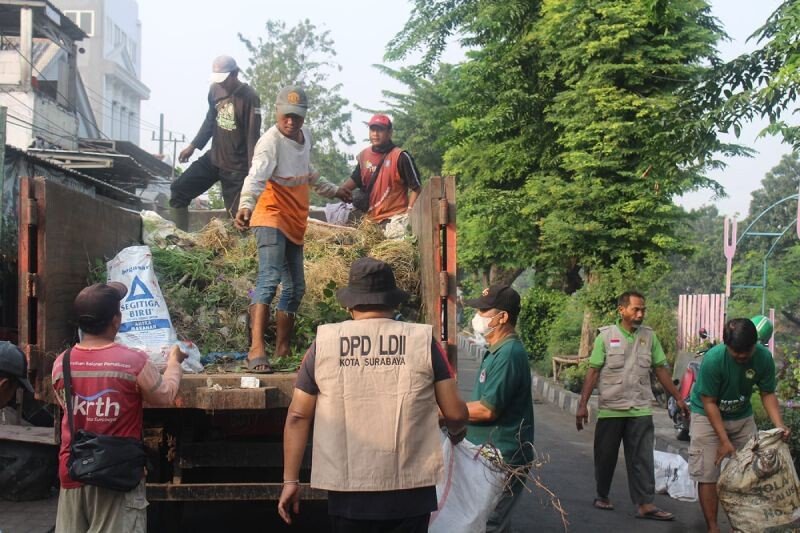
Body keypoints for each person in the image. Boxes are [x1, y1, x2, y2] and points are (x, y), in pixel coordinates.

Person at [277, 257, 469, 532]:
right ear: (394, 302)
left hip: (348, 492)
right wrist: (456, 430)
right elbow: (454, 412)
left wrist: (290, 482)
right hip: (411, 492)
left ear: (349, 304)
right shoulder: (422, 341)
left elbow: (297, 415)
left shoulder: (325, 343)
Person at [52, 282, 187, 533]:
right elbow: (165, 396)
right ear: (116, 320)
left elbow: (64, 405)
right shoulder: (132, 362)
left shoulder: (62, 363)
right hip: (118, 476)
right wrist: (174, 364)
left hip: (73, 472)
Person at [234, 85, 350, 373]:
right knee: (270, 279)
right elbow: (256, 176)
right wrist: (246, 204)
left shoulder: (305, 136)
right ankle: (256, 350)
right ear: (277, 113)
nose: (290, 122)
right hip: (270, 215)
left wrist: (334, 191)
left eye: (296, 117)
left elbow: (306, 172)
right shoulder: (269, 143)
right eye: (286, 116)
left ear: (303, 117)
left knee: (296, 287)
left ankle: (282, 349)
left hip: (294, 219)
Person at [576, 291, 687, 521]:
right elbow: (593, 371)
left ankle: (645, 504)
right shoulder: (605, 337)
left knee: (642, 458)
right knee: (605, 455)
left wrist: (677, 396)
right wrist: (582, 404)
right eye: (636, 309)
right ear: (622, 310)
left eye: (643, 309)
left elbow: (660, 369)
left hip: (640, 407)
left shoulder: (649, 337)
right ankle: (602, 495)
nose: (640, 313)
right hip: (611, 408)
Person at [689, 317, 789, 533]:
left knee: (753, 471)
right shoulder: (714, 360)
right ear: (727, 345)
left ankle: (746, 526)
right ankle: (713, 528)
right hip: (707, 415)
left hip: (742, 416)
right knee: (708, 472)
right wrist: (723, 441)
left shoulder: (763, 358)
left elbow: (767, 392)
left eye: (747, 351)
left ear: (755, 344)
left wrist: (779, 426)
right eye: (737, 352)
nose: (742, 356)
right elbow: (709, 402)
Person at [463, 284, 534, 532]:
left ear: (502, 317)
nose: (477, 318)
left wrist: (445, 412)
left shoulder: (509, 353)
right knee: (488, 520)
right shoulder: (496, 350)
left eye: (483, 311)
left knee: (491, 522)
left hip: (502, 454)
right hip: (489, 452)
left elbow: (487, 410)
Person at [170, 55, 261, 230]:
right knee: (179, 190)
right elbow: (210, 120)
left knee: (240, 220)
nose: (221, 84)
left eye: (224, 80)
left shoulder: (249, 97)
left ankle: (240, 253)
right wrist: (193, 146)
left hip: (237, 168)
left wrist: (252, 173)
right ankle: (179, 240)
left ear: (235, 74)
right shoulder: (215, 90)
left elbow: (252, 137)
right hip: (214, 158)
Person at [340, 114, 422, 224]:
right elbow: (355, 180)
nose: (375, 134)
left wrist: (409, 213)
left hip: (394, 220)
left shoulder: (400, 156)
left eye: (380, 130)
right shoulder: (364, 156)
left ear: (390, 133)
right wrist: (337, 191)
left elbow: (416, 188)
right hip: (369, 222)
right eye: (372, 129)